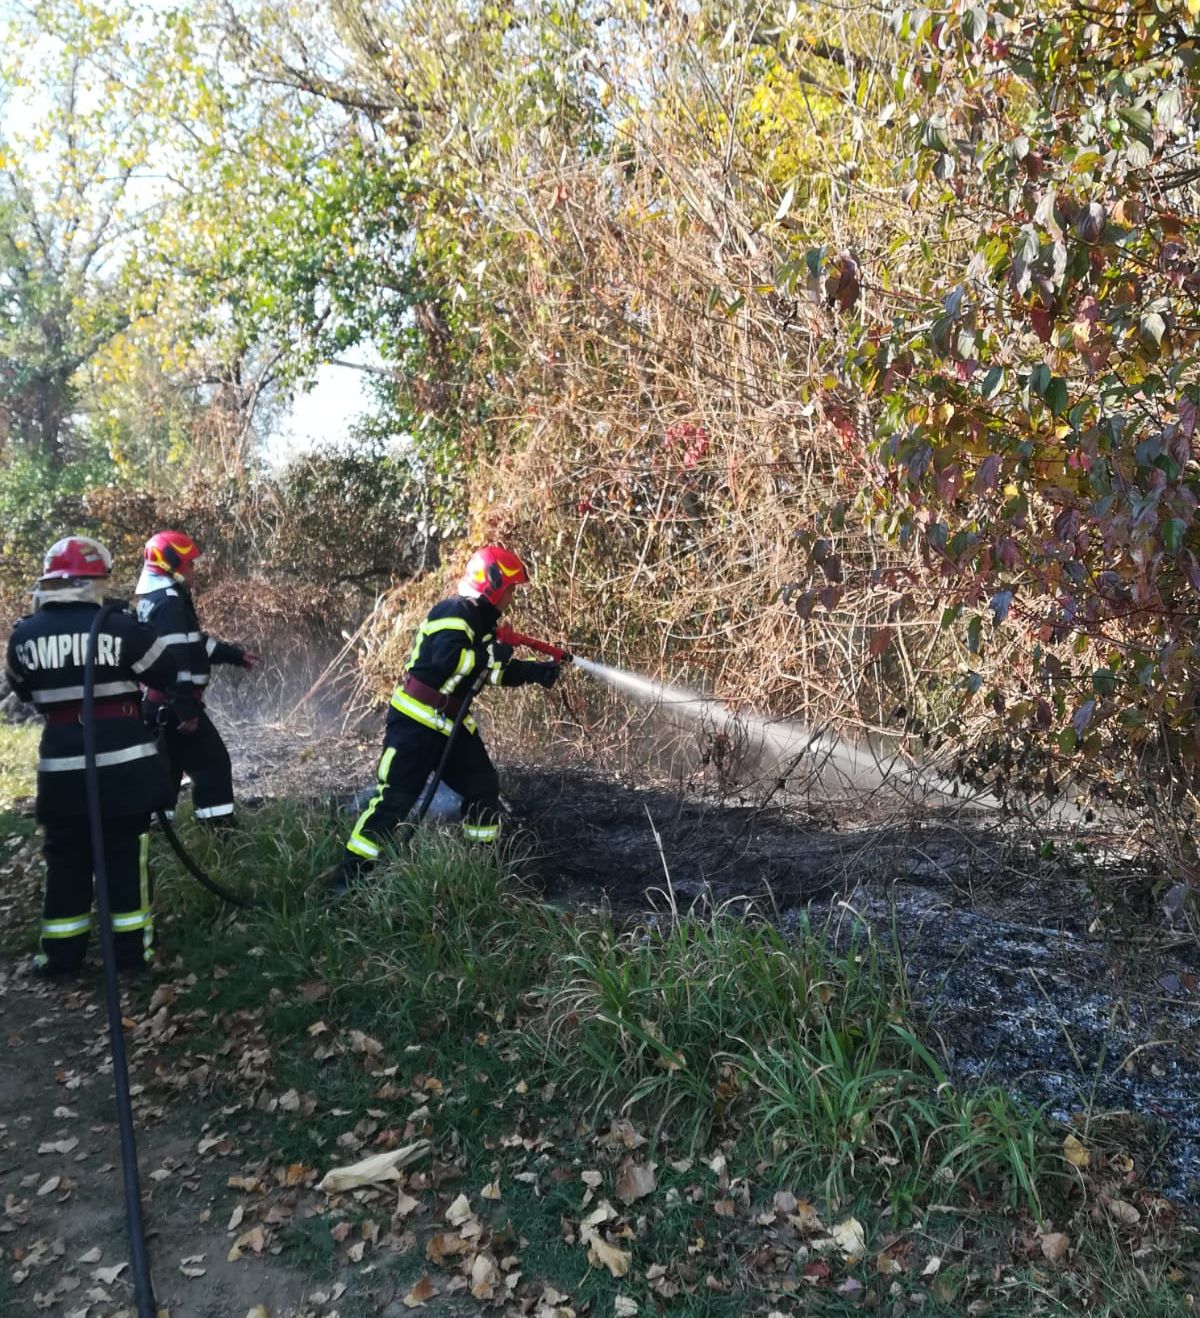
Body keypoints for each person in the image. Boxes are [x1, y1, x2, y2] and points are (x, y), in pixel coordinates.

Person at [4, 536, 200, 976]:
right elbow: (164, 670)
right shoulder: (117, 626)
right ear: (97, 580)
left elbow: (21, 688)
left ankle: (61, 958)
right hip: (123, 767)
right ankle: (131, 957)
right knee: (124, 860)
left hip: (61, 771)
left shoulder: (23, 635)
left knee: (66, 860)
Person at [328, 545, 561, 896]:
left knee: (482, 786)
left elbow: (487, 672)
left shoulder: (482, 623)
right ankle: (347, 882)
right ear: (493, 584)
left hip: (451, 726)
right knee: (394, 802)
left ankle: (481, 865)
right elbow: (447, 659)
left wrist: (534, 672)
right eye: (511, 589)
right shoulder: (453, 610)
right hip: (415, 725)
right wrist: (488, 654)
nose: (512, 597)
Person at [135, 530, 260, 825]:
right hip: (174, 708)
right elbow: (177, 659)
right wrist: (186, 711)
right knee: (213, 765)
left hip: (160, 707)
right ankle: (221, 835)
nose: (193, 572)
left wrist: (234, 655)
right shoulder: (169, 603)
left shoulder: (155, 600)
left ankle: (155, 837)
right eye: (189, 565)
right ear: (172, 566)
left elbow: (194, 643)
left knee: (166, 773)